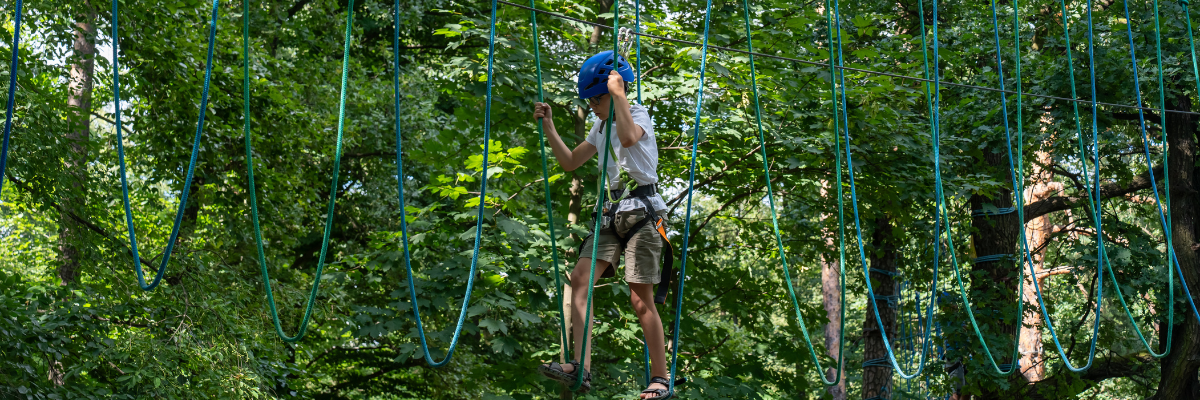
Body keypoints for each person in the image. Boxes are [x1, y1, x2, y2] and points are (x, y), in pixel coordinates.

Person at [534, 50, 673, 400]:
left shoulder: (637, 113)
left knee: (639, 300)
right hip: (611, 213)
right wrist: (549, 126)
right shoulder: (599, 126)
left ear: (613, 92)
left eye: (596, 99)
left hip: (643, 212)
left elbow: (628, 138)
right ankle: (580, 366)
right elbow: (570, 162)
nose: (592, 106)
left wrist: (619, 97)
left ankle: (660, 377)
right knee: (580, 279)